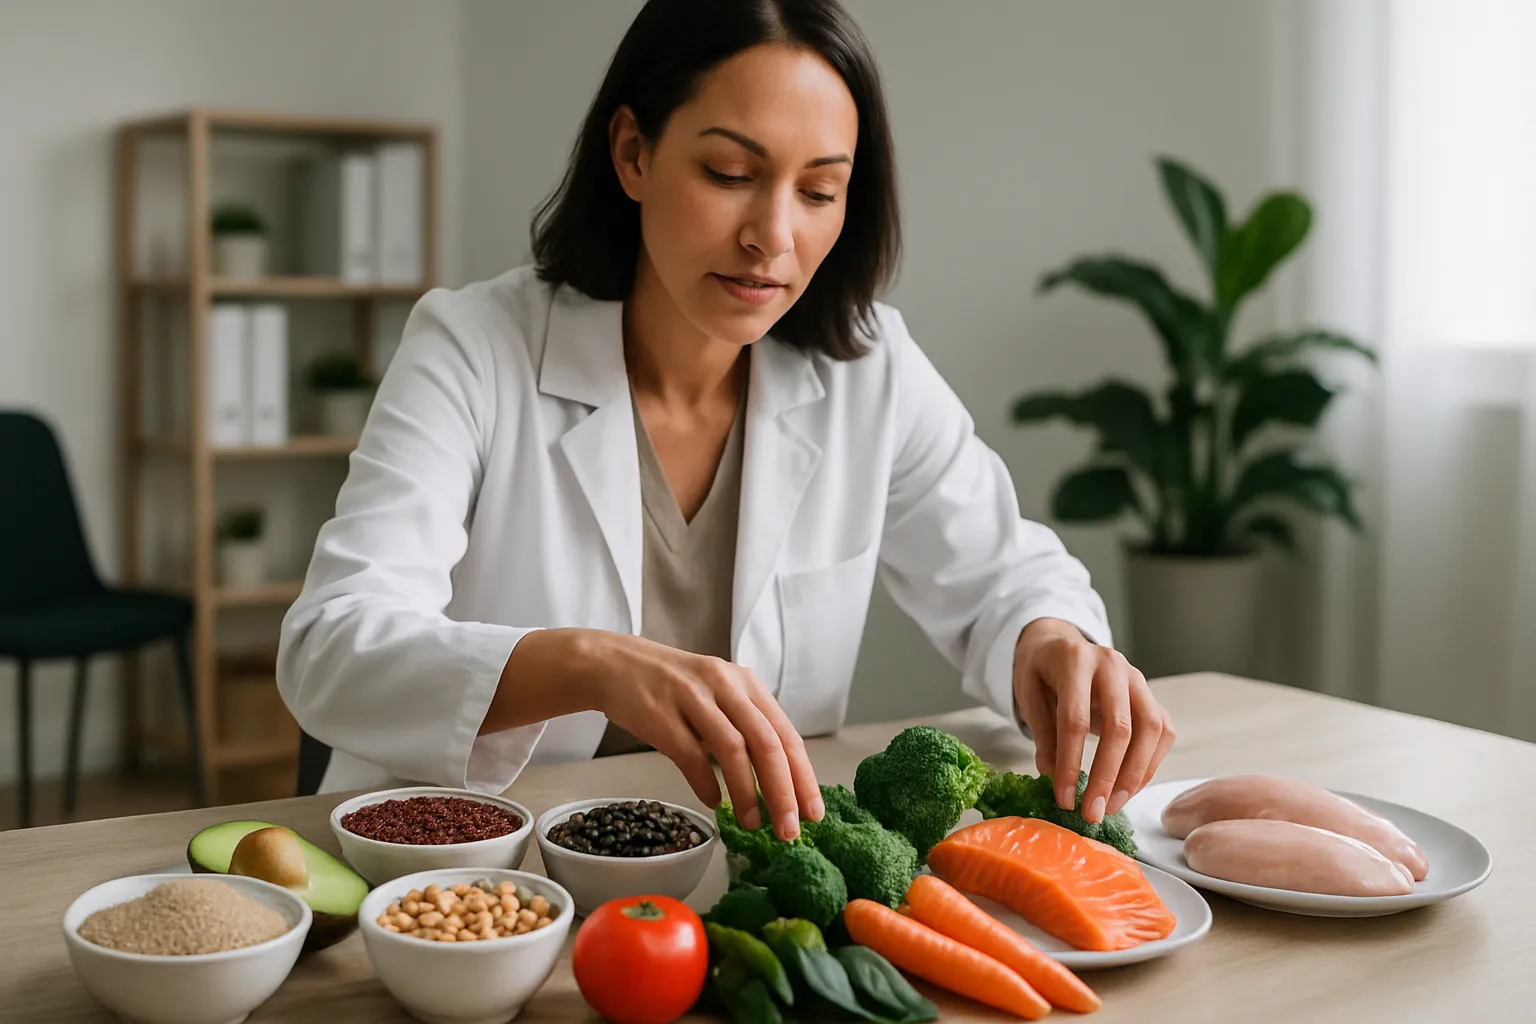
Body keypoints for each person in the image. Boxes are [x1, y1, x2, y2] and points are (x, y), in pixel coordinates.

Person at [276, 0, 1175, 842]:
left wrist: (1053, 639)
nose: (772, 236)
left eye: (819, 192)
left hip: (739, 867)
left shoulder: (870, 369)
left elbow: (1001, 575)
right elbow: (333, 646)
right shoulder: (473, 346)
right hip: (476, 867)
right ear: (632, 153)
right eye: (730, 174)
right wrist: (591, 664)